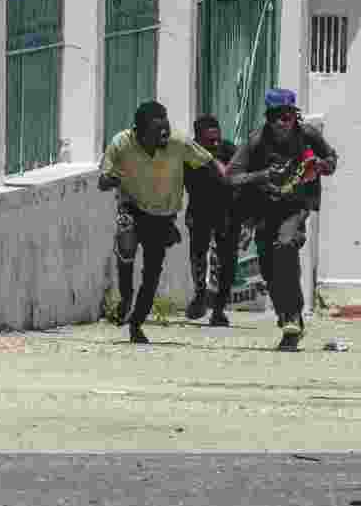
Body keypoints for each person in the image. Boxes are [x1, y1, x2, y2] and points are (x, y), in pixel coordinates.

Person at [98, 101, 274, 344]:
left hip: (167, 215)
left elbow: (217, 167)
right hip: (137, 207)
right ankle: (126, 298)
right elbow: (102, 180)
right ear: (139, 131)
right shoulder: (121, 143)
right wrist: (111, 179)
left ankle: (136, 322)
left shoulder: (179, 144)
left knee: (152, 275)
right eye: (157, 131)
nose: (164, 136)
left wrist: (252, 179)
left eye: (166, 129)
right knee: (127, 236)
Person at [225, 88, 338, 351]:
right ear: (269, 118)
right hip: (264, 210)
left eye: (287, 116)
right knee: (268, 269)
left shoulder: (308, 134)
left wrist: (320, 166)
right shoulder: (256, 141)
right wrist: (262, 176)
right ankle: (288, 317)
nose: (282, 123)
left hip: (295, 207)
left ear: (294, 116)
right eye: (276, 117)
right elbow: (231, 176)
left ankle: (292, 316)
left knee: (286, 246)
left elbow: (331, 159)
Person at [183, 114, 239, 327]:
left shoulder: (228, 150)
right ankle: (199, 296)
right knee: (198, 257)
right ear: (198, 138)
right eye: (210, 140)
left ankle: (219, 309)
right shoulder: (188, 155)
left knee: (228, 261)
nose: (216, 144)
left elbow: (240, 175)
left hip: (227, 213)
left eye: (217, 139)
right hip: (199, 212)